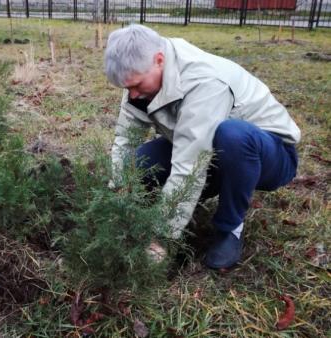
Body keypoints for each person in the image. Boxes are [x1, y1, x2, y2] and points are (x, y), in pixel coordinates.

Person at [104, 24, 300, 269]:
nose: (132, 95)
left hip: (270, 154)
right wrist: (114, 195)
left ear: (159, 60)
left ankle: (230, 228)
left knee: (232, 135)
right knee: (137, 163)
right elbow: (125, 140)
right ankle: (188, 201)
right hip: (206, 147)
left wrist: (161, 237)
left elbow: (189, 167)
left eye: (137, 85)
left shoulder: (204, 82)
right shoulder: (141, 75)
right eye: (127, 88)